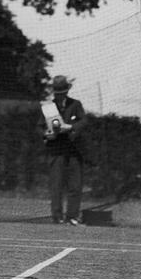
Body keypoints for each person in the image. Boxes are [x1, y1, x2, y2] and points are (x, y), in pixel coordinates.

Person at [40, 75, 87, 225]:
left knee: (75, 185)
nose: (60, 95)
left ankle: (72, 216)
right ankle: (57, 217)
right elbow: (39, 127)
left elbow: (83, 121)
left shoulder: (76, 104)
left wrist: (71, 127)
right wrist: (47, 135)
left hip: (73, 151)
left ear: (67, 91)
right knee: (56, 185)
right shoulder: (48, 107)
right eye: (58, 92)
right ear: (54, 92)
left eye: (63, 92)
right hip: (56, 150)